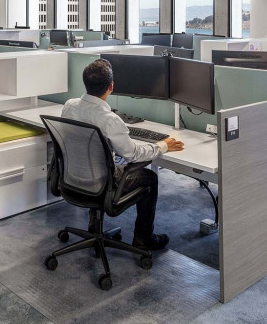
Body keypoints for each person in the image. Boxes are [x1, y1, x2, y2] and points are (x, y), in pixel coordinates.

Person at [60, 58, 185, 251]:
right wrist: (162, 146)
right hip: (101, 183)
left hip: (73, 178)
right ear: (111, 87)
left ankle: (94, 222)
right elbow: (133, 154)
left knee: (99, 162)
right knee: (150, 178)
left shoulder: (69, 105)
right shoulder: (109, 120)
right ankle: (144, 238)